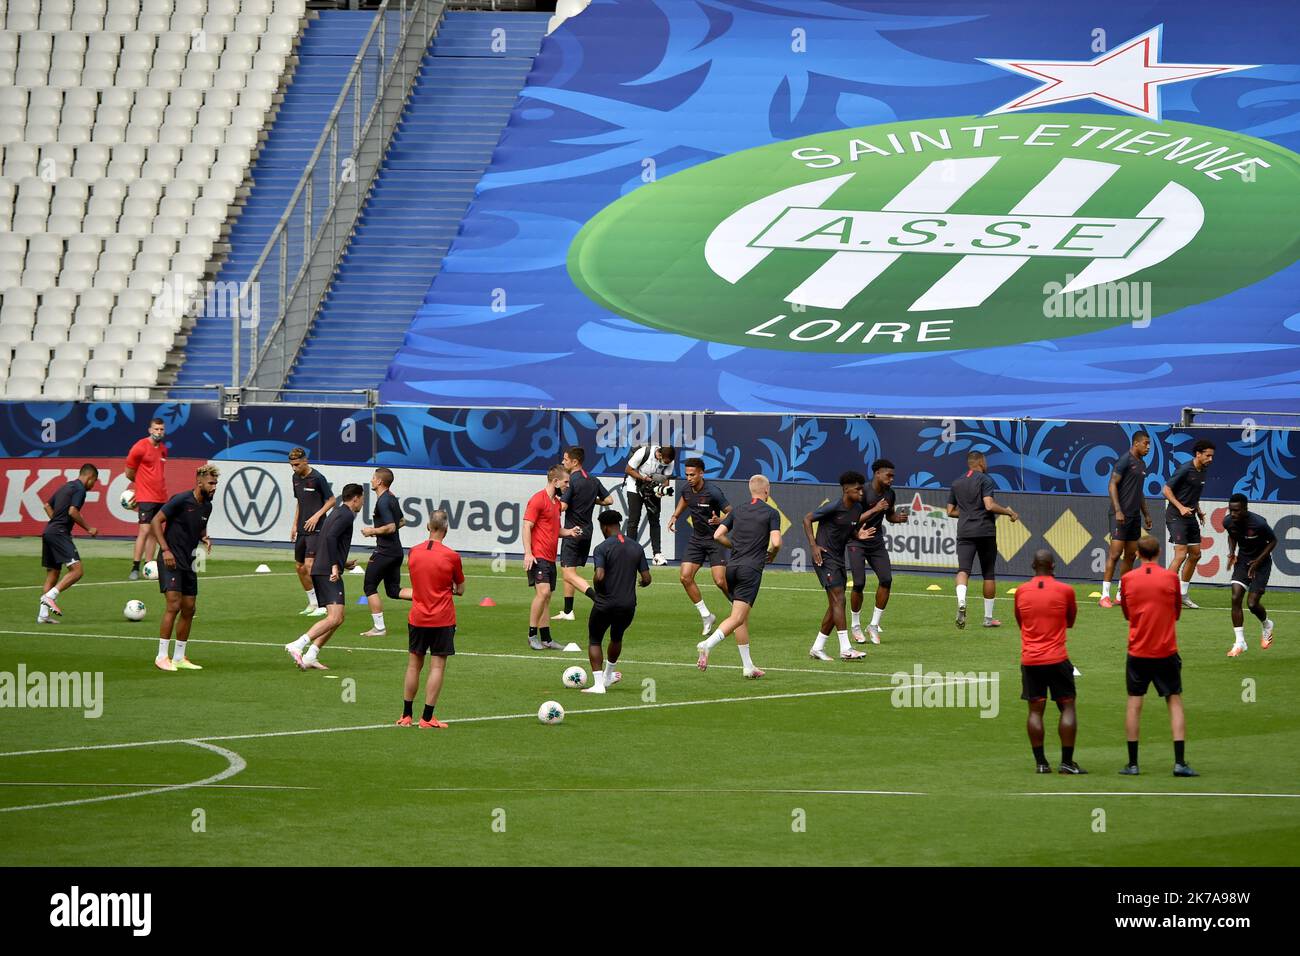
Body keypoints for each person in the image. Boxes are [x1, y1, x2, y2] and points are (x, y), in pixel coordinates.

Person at [1119, 536, 1198, 777]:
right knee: (1174, 701)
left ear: (1138, 554)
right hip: (1166, 650)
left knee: (1134, 703)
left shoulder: (1127, 579)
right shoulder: (1171, 578)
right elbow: (1176, 613)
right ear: (1159, 552)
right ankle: (1179, 762)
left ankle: (1133, 764)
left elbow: (1126, 613)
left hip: (1138, 650)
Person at [696, 475, 782, 678]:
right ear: (767, 491)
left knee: (741, 618)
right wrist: (772, 554)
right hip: (750, 570)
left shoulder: (739, 510)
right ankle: (708, 645)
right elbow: (776, 542)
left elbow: (717, 535)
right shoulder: (771, 513)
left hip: (732, 568)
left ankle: (748, 666)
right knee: (737, 617)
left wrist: (735, 546)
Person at [1014, 550, 1083, 774]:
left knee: (1035, 711)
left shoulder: (1021, 591)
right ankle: (1066, 762)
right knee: (1068, 706)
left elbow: (1020, 622)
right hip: (1057, 658)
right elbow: (1070, 621)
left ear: (1033, 566)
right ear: (1053, 566)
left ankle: (1041, 764)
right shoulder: (1065, 590)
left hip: (1031, 658)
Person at [395, 510, 464, 729]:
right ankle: (426, 718)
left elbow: (417, 581)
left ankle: (406, 715)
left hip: (417, 616)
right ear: (446, 529)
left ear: (428, 527)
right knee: (437, 667)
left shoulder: (414, 552)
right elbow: (460, 589)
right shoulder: (452, 556)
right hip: (442, 618)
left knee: (414, 665)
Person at [284, 483, 364, 671]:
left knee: (338, 617)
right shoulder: (345, 515)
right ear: (356, 498)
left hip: (324, 568)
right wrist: (335, 565)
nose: (362, 503)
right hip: (328, 571)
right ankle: (298, 644)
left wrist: (342, 563)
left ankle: (311, 655)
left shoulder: (337, 513)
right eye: (362, 499)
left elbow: (326, 541)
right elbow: (330, 539)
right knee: (335, 617)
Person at [149, 465, 218, 672]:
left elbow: (198, 526)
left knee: (189, 607)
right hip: (170, 559)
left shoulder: (207, 506)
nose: (214, 487)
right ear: (199, 482)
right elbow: (155, 521)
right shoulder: (181, 499)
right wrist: (165, 550)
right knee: (174, 605)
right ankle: (161, 656)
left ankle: (179, 657)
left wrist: (203, 537)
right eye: (211, 483)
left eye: (216, 483)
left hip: (189, 561)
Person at [804, 470, 871, 662]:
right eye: (858, 490)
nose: (861, 493)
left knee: (836, 604)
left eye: (862, 489)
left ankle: (817, 647)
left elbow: (848, 530)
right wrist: (813, 546)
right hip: (824, 558)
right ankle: (846, 648)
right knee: (839, 600)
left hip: (839, 559)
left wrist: (858, 535)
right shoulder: (833, 506)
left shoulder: (857, 509)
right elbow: (807, 519)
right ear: (846, 489)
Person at [947, 451, 1019, 629]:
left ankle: (962, 601)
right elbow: (989, 505)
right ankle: (988, 618)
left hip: (965, 531)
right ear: (980, 461)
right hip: (985, 531)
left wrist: (967, 514)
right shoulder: (985, 479)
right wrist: (1009, 512)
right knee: (988, 573)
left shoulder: (956, 482)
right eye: (985, 460)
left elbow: (950, 511)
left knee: (963, 570)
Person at [583, 509, 652, 694]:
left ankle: (598, 684)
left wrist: (598, 587)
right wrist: (639, 583)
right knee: (616, 637)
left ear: (604, 527)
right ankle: (608, 676)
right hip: (628, 605)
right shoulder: (636, 547)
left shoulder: (602, 548)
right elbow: (647, 578)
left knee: (595, 639)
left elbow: (599, 574)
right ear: (618, 524)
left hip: (605, 603)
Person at [669, 457, 732, 636]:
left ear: (701, 473)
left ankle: (736, 606)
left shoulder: (713, 492)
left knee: (720, 581)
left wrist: (720, 521)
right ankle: (706, 616)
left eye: (692, 475)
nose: (689, 478)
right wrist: (675, 516)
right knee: (685, 577)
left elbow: (731, 512)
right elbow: (684, 499)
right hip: (696, 540)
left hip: (714, 540)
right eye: (687, 474)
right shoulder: (686, 489)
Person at [849, 458, 907, 644]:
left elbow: (889, 516)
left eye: (893, 476)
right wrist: (875, 508)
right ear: (877, 473)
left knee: (886, 580)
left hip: (876, 542)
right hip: (856, 540)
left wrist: (897, 518)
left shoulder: (890, 494)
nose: (891, 479)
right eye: (888, 475)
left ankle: (873, 625)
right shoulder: (862, 491)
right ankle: (855, 626)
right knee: (858, 583)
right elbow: (852, 519)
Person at [523, 464, 581, 650]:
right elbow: (526, 527)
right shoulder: (537, 500)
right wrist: (528, 553)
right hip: (538, 556)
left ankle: (546, 638)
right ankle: (532, 635)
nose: (567, 486)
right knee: (544, 593)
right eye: (565, 482)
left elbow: (554, 531)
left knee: (547, 598)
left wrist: (570, 532)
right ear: (555, 481)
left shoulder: (556, 504)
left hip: (549, 557)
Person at [554, 447, 612, 621]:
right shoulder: (593, 480)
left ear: (575, 462)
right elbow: (609, 500)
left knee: (567, 573)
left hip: (572, 531)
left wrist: (552, 502)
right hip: (587, 531)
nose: (563, 462)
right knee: (569, 570)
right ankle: (567, 611)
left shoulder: (572, 481)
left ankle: (600, 600)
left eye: (565, 459)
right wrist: (591, 500)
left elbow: (563, 507)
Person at [37, 464, 100, 624]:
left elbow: (46, 505)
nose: (93, 486)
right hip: (59, 533)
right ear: (89, 477)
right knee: (77, 571)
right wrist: (89, 528)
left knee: (53, 573)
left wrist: (55, 521)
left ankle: (43, 615)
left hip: (49, 532)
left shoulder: (66, 486)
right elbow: (73, 511)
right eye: (94, 481)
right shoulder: (80, 489)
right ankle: (50, 597)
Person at [1099, 431, 1152, 608]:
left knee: (1130, 555)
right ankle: (1104, 596)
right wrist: (1118, 510)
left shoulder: (1142, 464)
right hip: (1119, 516)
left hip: (1135, 517)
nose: (1148, 447)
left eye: (1149, 444)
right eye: (1145, 443)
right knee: (1115, 554)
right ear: (1136, 443)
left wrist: (1146, 514)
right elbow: (1112, 484)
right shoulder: (1124, 460)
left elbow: (1139, 492)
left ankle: (1121, 595)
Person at [1161, 438, 1215, 609]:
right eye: (1208, 456)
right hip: (1176, 515)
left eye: (1212, 456)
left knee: (1196, 554)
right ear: (1198, 454)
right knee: (1181, 554)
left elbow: (1192, 494)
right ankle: (1165, 595)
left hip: (1190, 516)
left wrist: (1197, 510)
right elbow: (1166, 490)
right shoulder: (1185, 469)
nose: (1210, 459)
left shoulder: (1203, 471)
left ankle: (1183, 594)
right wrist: (1181, 507)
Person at [1224, 494, 1277, 658]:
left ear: (1245, 509)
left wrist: (1258, 561)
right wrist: (1232, 552)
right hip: (1243, 561)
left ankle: (1267, 624)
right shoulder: (1228, 521)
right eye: (1231, 510)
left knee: (1252, 604)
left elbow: (1273, 541)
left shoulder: (1259, 523)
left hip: (1261, 563)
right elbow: (1232, 535)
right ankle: (1240, 642)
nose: (1233, 514)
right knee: (1235, 597)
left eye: (1237, 510)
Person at [289, 448, 335, 617]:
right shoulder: (295, 478)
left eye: (297, 465)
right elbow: (300, 503)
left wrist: (317, 516)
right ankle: (313, 602)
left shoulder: (318, 478)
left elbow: (332, 500)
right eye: (291, 465)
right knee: (299, 567)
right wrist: (294, 525)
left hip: (317, 528)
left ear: (305, 461)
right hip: (302, 529)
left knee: (310, 565)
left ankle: (323, 605)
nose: (294, 468)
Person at [360, 467, 404, 637]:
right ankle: (431, 602)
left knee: (369, 586)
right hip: (396, 551)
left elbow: (392, 526)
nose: (371, 480)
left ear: (379, 481)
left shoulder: (383, 501)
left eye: (373, 478)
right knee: (393, 591)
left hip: (385, 552)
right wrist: (382, 531)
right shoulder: (392, 498)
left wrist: (374, 531)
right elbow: (401, 521)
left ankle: (379, 628)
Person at [125, 417, 167, 580]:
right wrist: (140, 486)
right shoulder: (140, 447)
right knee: (144, 530)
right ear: (150, 430)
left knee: (155, 533)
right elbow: (129, 471)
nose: (158, 432)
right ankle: (135, 567)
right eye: (156, 429)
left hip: (161, 496)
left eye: (161, 429)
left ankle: (148, 566)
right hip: (145, 496)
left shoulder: (163, 449)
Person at [623, 444, 676, 565]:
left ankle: (657, 555)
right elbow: (628, 469)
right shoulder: (643, 453)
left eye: (669, 462)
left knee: (655, 520)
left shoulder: (670, 461)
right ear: (659, 454)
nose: (667, 464)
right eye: (665, 461)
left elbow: (665, 478)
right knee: (633, 520)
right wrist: (643, 478)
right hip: (635, 487)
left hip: (653, 488)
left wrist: (663, 490)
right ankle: (630, 553)